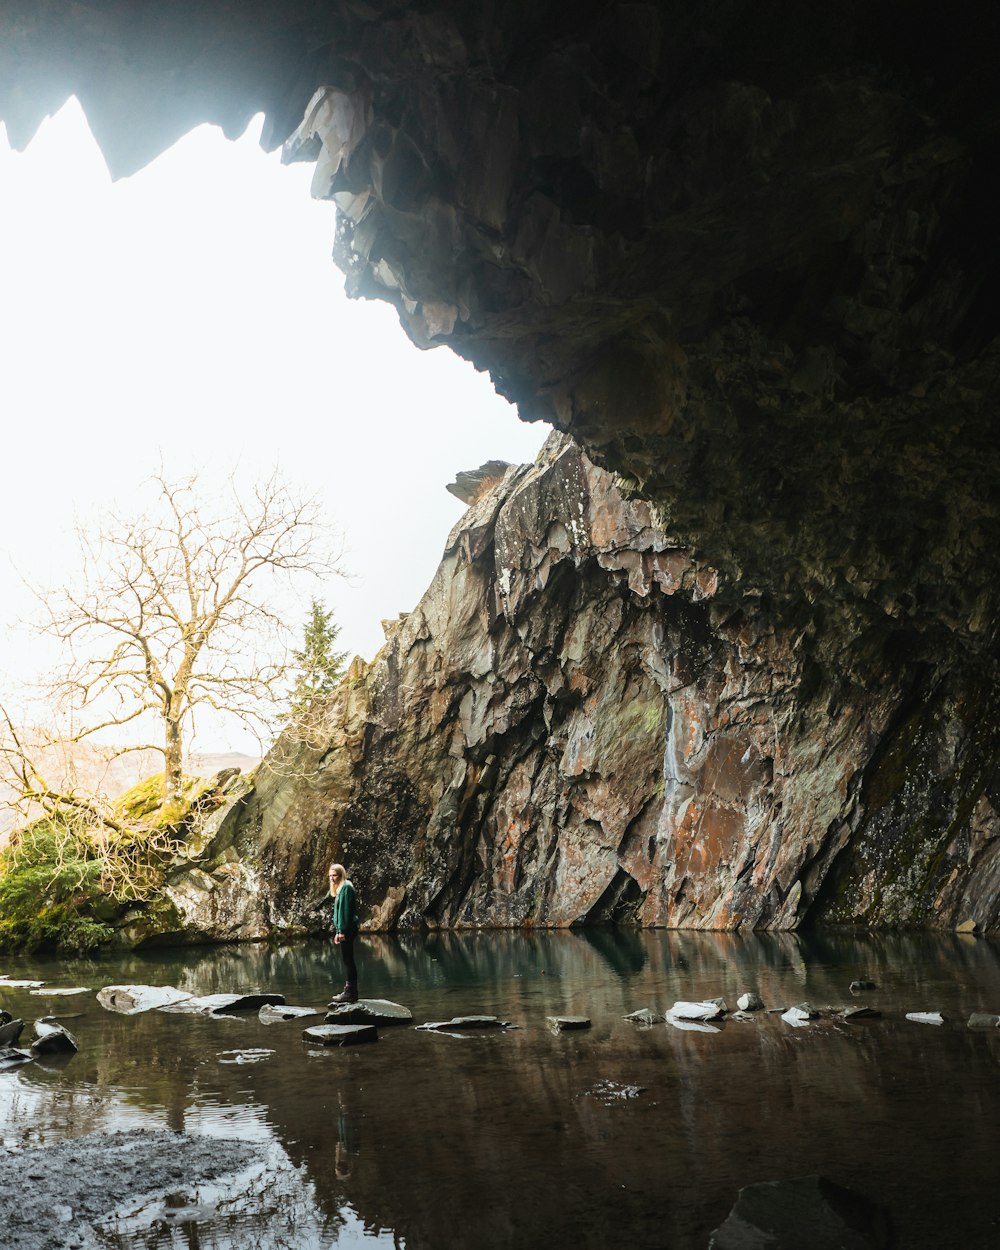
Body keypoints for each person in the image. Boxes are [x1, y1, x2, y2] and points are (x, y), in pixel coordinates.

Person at [328, 862, 361, 1004]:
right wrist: (338, 931)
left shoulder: (346, 888)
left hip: (348, 929)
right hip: (344, 929)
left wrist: (342, 931)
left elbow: (345, 912)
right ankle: (350, 991)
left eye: (334, 875)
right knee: (347, 959)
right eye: (330, 876)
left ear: (341, 875)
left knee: (348, 960)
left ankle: (350, 992)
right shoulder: (341, 888)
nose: (331, 878)